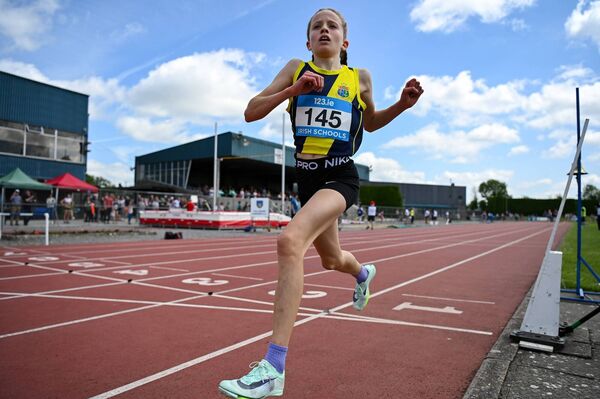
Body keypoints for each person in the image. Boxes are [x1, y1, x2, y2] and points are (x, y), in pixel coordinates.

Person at [218, 8, 423, 398]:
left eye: (332, 26)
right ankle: (362, 274)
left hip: (341, 176)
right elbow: (250, 112)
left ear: (344, 42)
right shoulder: (296, 69)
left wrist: (402, 105)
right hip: (307, 180)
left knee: (289, 242)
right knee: (331, 260)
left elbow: (372, 122)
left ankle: (273, 367)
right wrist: (293, 92)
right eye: (317, 26)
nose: (324, 29)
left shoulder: (357, 77)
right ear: (308, 41)